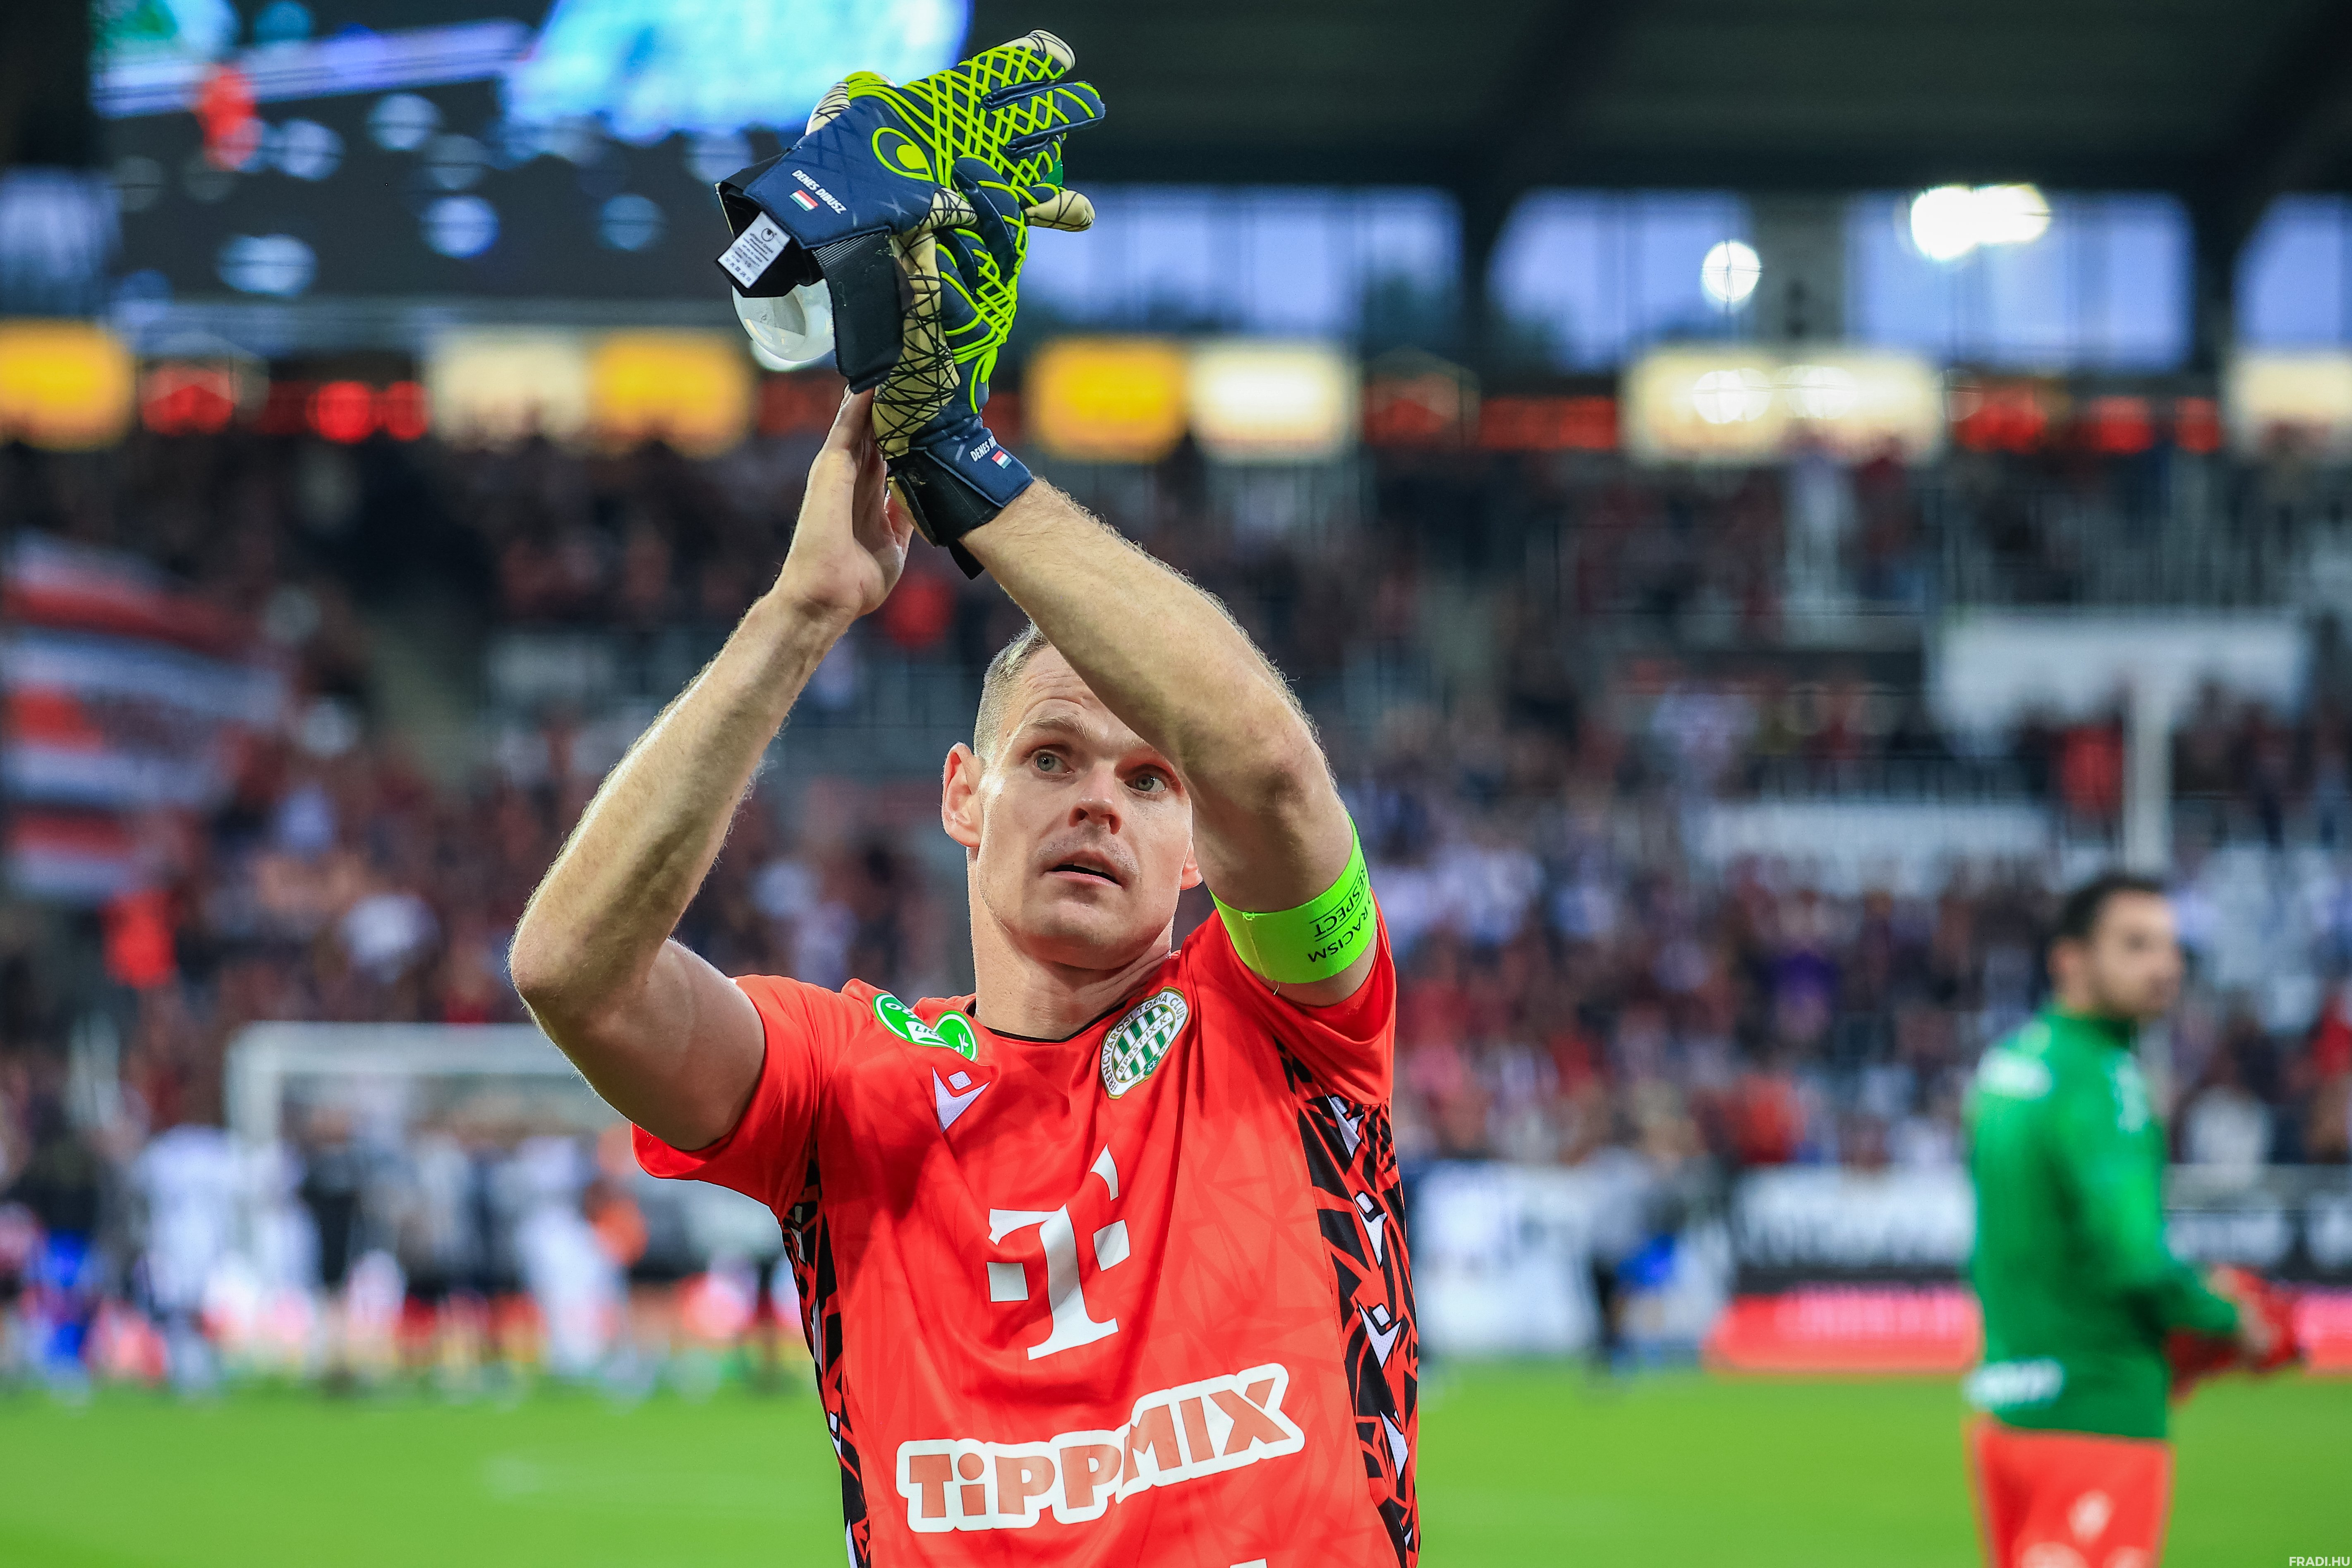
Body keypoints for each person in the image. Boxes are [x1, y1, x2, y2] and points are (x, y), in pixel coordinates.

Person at [1962, 872, 2277, 1568]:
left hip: (2010, 1409)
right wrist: (2229, 1318)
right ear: (2069, 960)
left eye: (2169, 947)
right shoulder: (2105, 1082)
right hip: (2098, 1411)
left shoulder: (2007, 1066)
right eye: (2135, 945)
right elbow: (2134, 1257)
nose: (2164, 967)